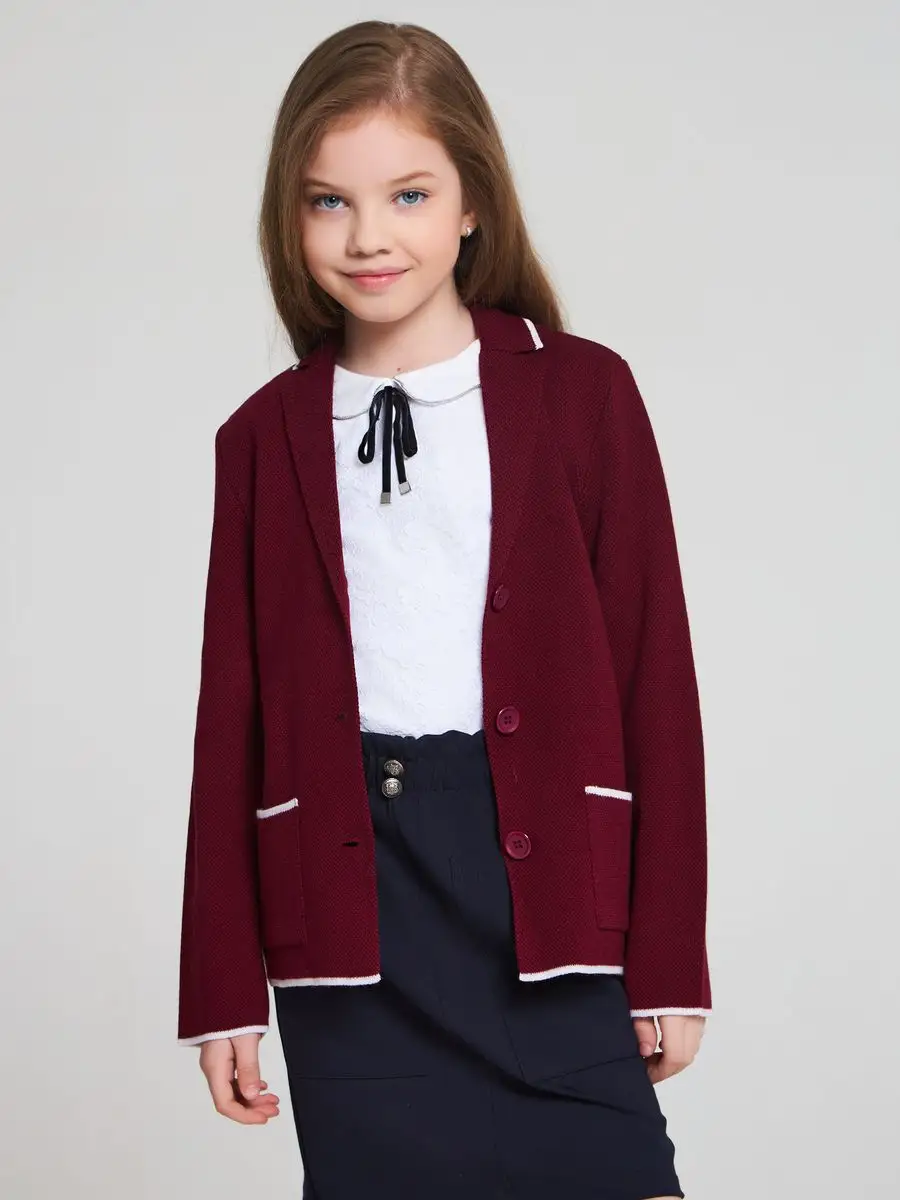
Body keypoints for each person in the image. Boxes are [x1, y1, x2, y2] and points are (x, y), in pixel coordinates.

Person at [177, 18, 711, 1200]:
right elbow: (232, 722)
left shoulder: (582, 395)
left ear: (472, 202)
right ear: (288, 216)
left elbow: (655, 683)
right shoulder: (261, 440)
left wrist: (671, 957)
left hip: (546, 890)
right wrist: (220, 989)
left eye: (408, 195)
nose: (368, 236)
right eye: (328, 202)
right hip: (353, 908)